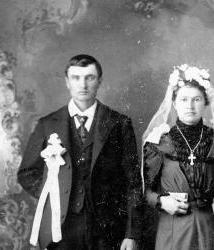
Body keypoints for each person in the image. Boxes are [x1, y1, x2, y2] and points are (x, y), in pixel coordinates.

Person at [17, 54, 142, 250]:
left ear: (99, 81)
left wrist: (131, 233)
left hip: (107, 229)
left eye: (89, 77)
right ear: (67, 82)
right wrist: (55, 194)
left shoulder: (119, 123)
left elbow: (133, 182)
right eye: (76, 78)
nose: (83, 84)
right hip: (62, 228)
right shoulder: (48, 124)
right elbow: (27, 173)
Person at [142, 64, 214, 250]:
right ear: (175, 103)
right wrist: (161, 201)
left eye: (197, 99)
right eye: (184, 99)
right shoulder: (159, 142)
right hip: (173, 230)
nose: (190, 106)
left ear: (205, 102)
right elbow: (145, 191)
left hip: (210, 229)